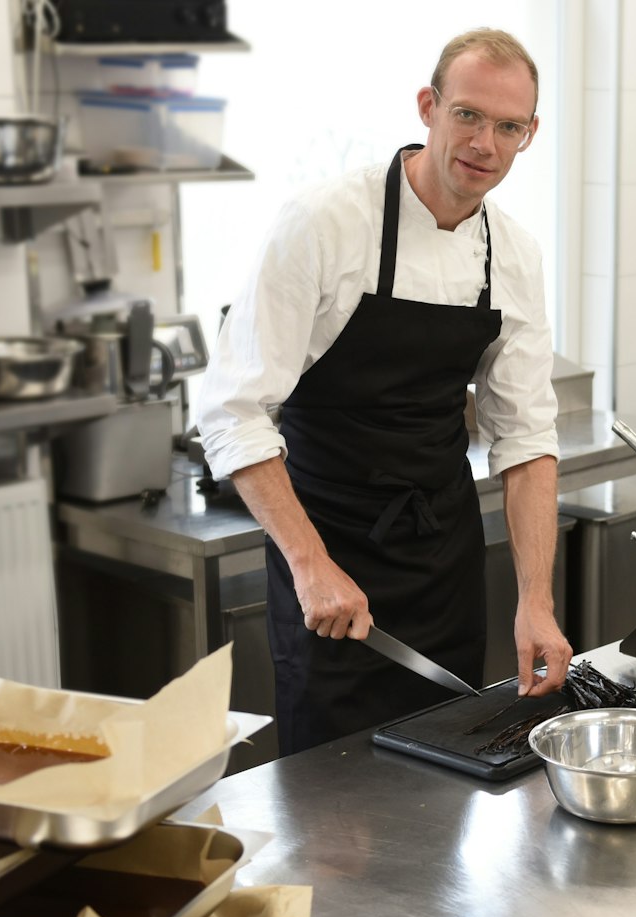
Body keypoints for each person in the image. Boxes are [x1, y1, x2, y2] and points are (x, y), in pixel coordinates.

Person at [195, 28, 572, 756]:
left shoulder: (513, 254)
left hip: (441, 560)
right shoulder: (325, 224)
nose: (484, 144)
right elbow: (232, 410)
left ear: (529, 135)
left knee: (448, 779)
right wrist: (309, 564)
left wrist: (536, 601)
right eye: (467, 115)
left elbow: (525, 438)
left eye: (508, 127)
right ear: (429, 107)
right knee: (336, 810)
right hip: (328, 551)